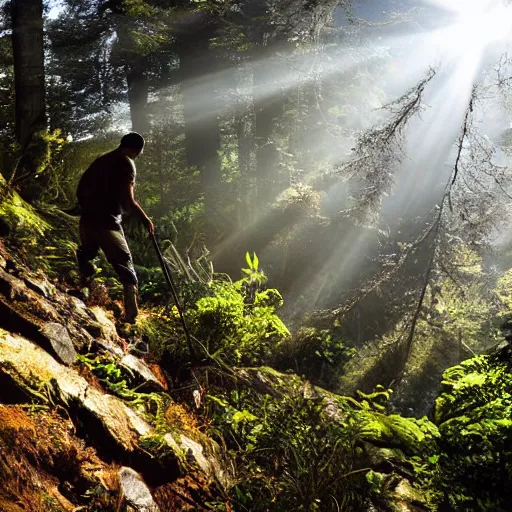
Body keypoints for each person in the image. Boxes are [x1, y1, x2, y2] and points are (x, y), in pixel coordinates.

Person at [76, 132, 154, 323]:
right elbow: (128, 200)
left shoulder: (102, 160)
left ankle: (84, 296)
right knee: (125, 263)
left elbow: (82, 188)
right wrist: (145, 219)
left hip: (87, 220)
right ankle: (131, 316)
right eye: (139, 152)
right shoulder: (126, 162)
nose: (138, 156)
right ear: (135, 149)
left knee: (88, 254)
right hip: (107, 223)